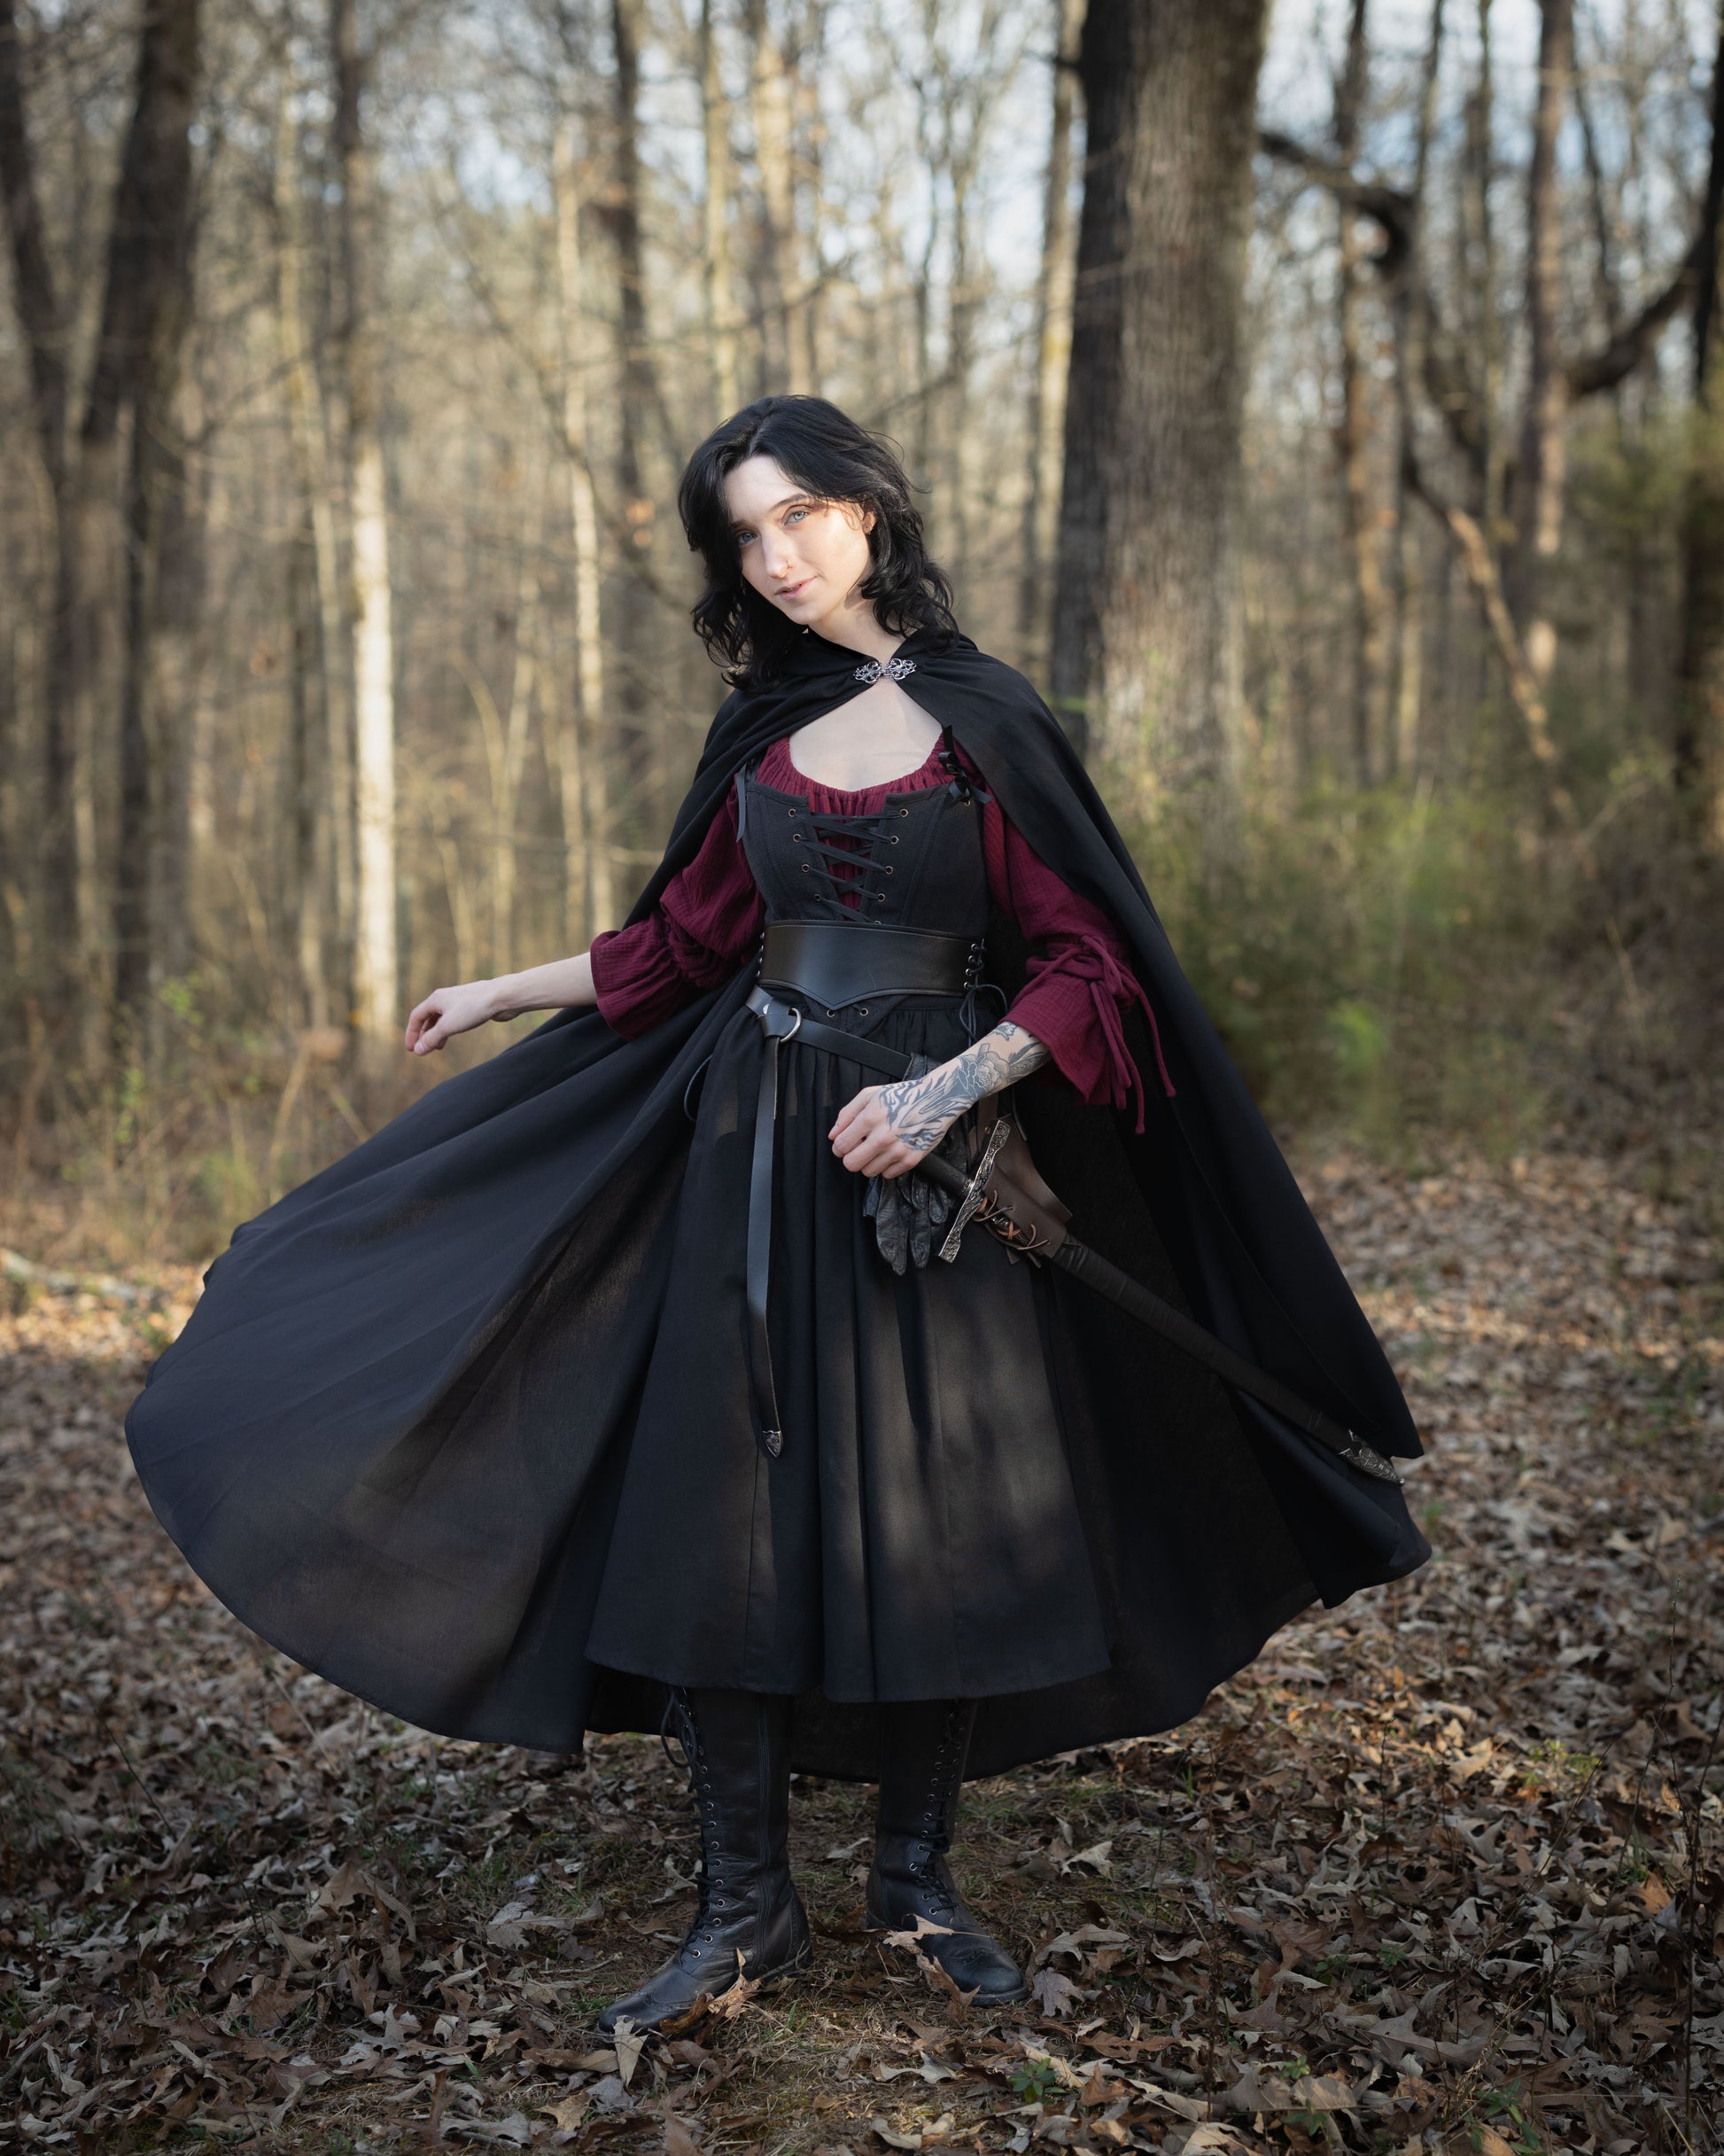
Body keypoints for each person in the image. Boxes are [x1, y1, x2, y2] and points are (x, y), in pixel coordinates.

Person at [127, 396, 1429, 2035]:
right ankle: (743, 1909)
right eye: (745, 532)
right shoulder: (763, 730)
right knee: (717, 1512)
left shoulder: (985, 720)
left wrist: (950, 1092)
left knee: (942, 1508)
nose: (776, 555)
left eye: (799, 513)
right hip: (752, 1151)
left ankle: (914, 1884)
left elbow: (1088, 969)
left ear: (870, 510)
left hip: (932, 1175)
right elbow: (678, 947)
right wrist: (496, 989)